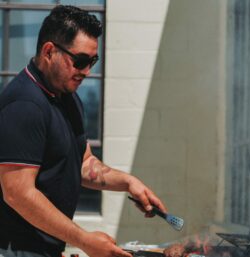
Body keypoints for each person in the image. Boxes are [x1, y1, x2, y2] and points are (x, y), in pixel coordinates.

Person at [0, 5, 167, 257]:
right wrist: (84, 241)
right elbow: (17, 193)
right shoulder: (25, 104)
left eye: (92, 61)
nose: (87, 71)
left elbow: (84, 162)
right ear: (49, 51)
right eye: (79, 61)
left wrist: (129, 183)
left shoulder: (68, 97)